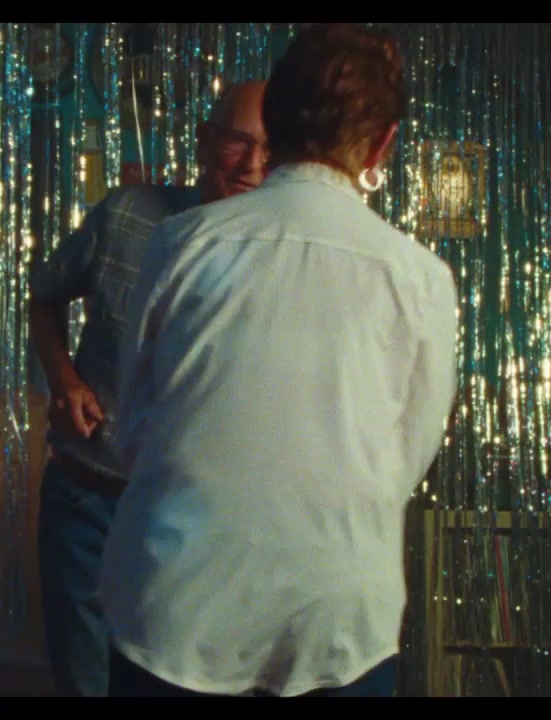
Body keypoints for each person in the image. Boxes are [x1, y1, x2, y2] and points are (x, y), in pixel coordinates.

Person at [100, 23, 459, 698]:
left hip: (177, 607)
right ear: (383, 143)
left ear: (272, 117)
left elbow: (137, 429)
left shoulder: (180, 243)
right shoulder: (422, 279)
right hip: (339, 620)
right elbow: (406, 460)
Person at [28, 79, 269, 697]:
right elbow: (43, 296)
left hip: (195, 524)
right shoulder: (128, 215)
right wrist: (63, 378)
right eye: (238, 142)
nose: (252, 164)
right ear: (205, 142)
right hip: (89, 499)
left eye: (271, 149)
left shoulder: (279, 260)